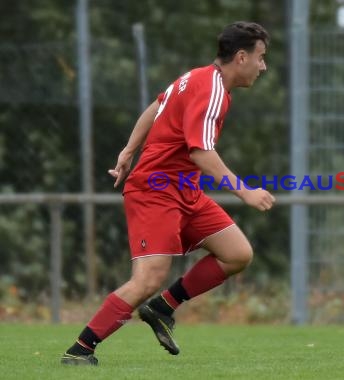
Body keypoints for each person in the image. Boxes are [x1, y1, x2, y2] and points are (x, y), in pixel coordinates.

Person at [61, 21, 275, 366]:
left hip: (183, 190)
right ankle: (80, 350)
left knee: (236, 253)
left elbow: (156, 107)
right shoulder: (211, 91)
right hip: (155, 191)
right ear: (241, 57)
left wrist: (129, 149)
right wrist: (244, 191)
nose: (263, 66)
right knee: (148, 277)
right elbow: (200, 152)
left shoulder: (197, 77)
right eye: (261, 57)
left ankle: (163, 308)